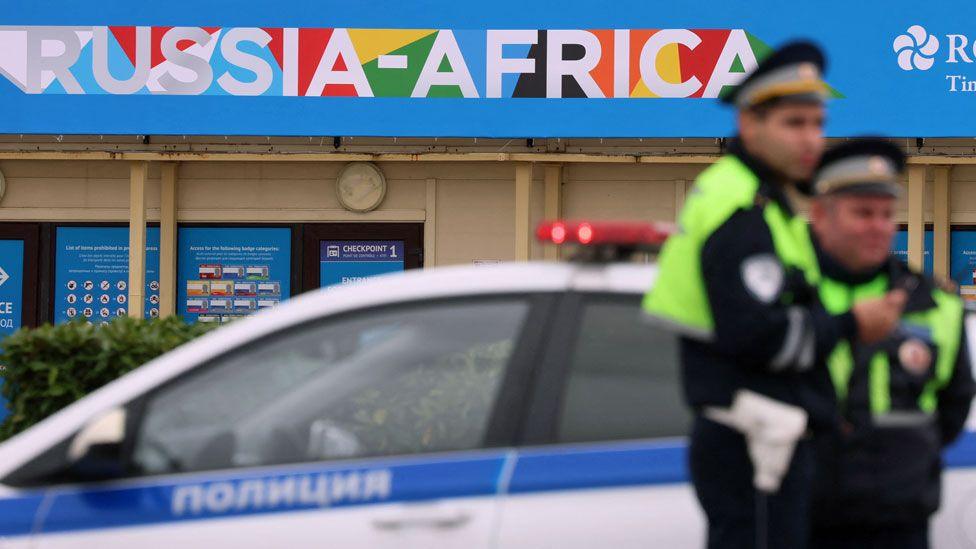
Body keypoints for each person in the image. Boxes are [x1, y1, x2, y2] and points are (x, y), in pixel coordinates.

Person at [642, 42, 906, 549]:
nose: (812, 140)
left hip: (766, 438)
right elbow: (758, 335)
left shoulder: (763, 199)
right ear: (749, 124)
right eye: (794, 123)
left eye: (817, 123)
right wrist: (853, 324)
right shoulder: (744, 208)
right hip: (754, 442)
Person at [807, 139, 976, 549]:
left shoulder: (932, 305)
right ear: (820, 216)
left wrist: (906, 458)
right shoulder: (791, 293)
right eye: (862, 213)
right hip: (801, 515)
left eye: (885, 214)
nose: (878, 226)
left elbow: (953, 404)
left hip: (899, 518)